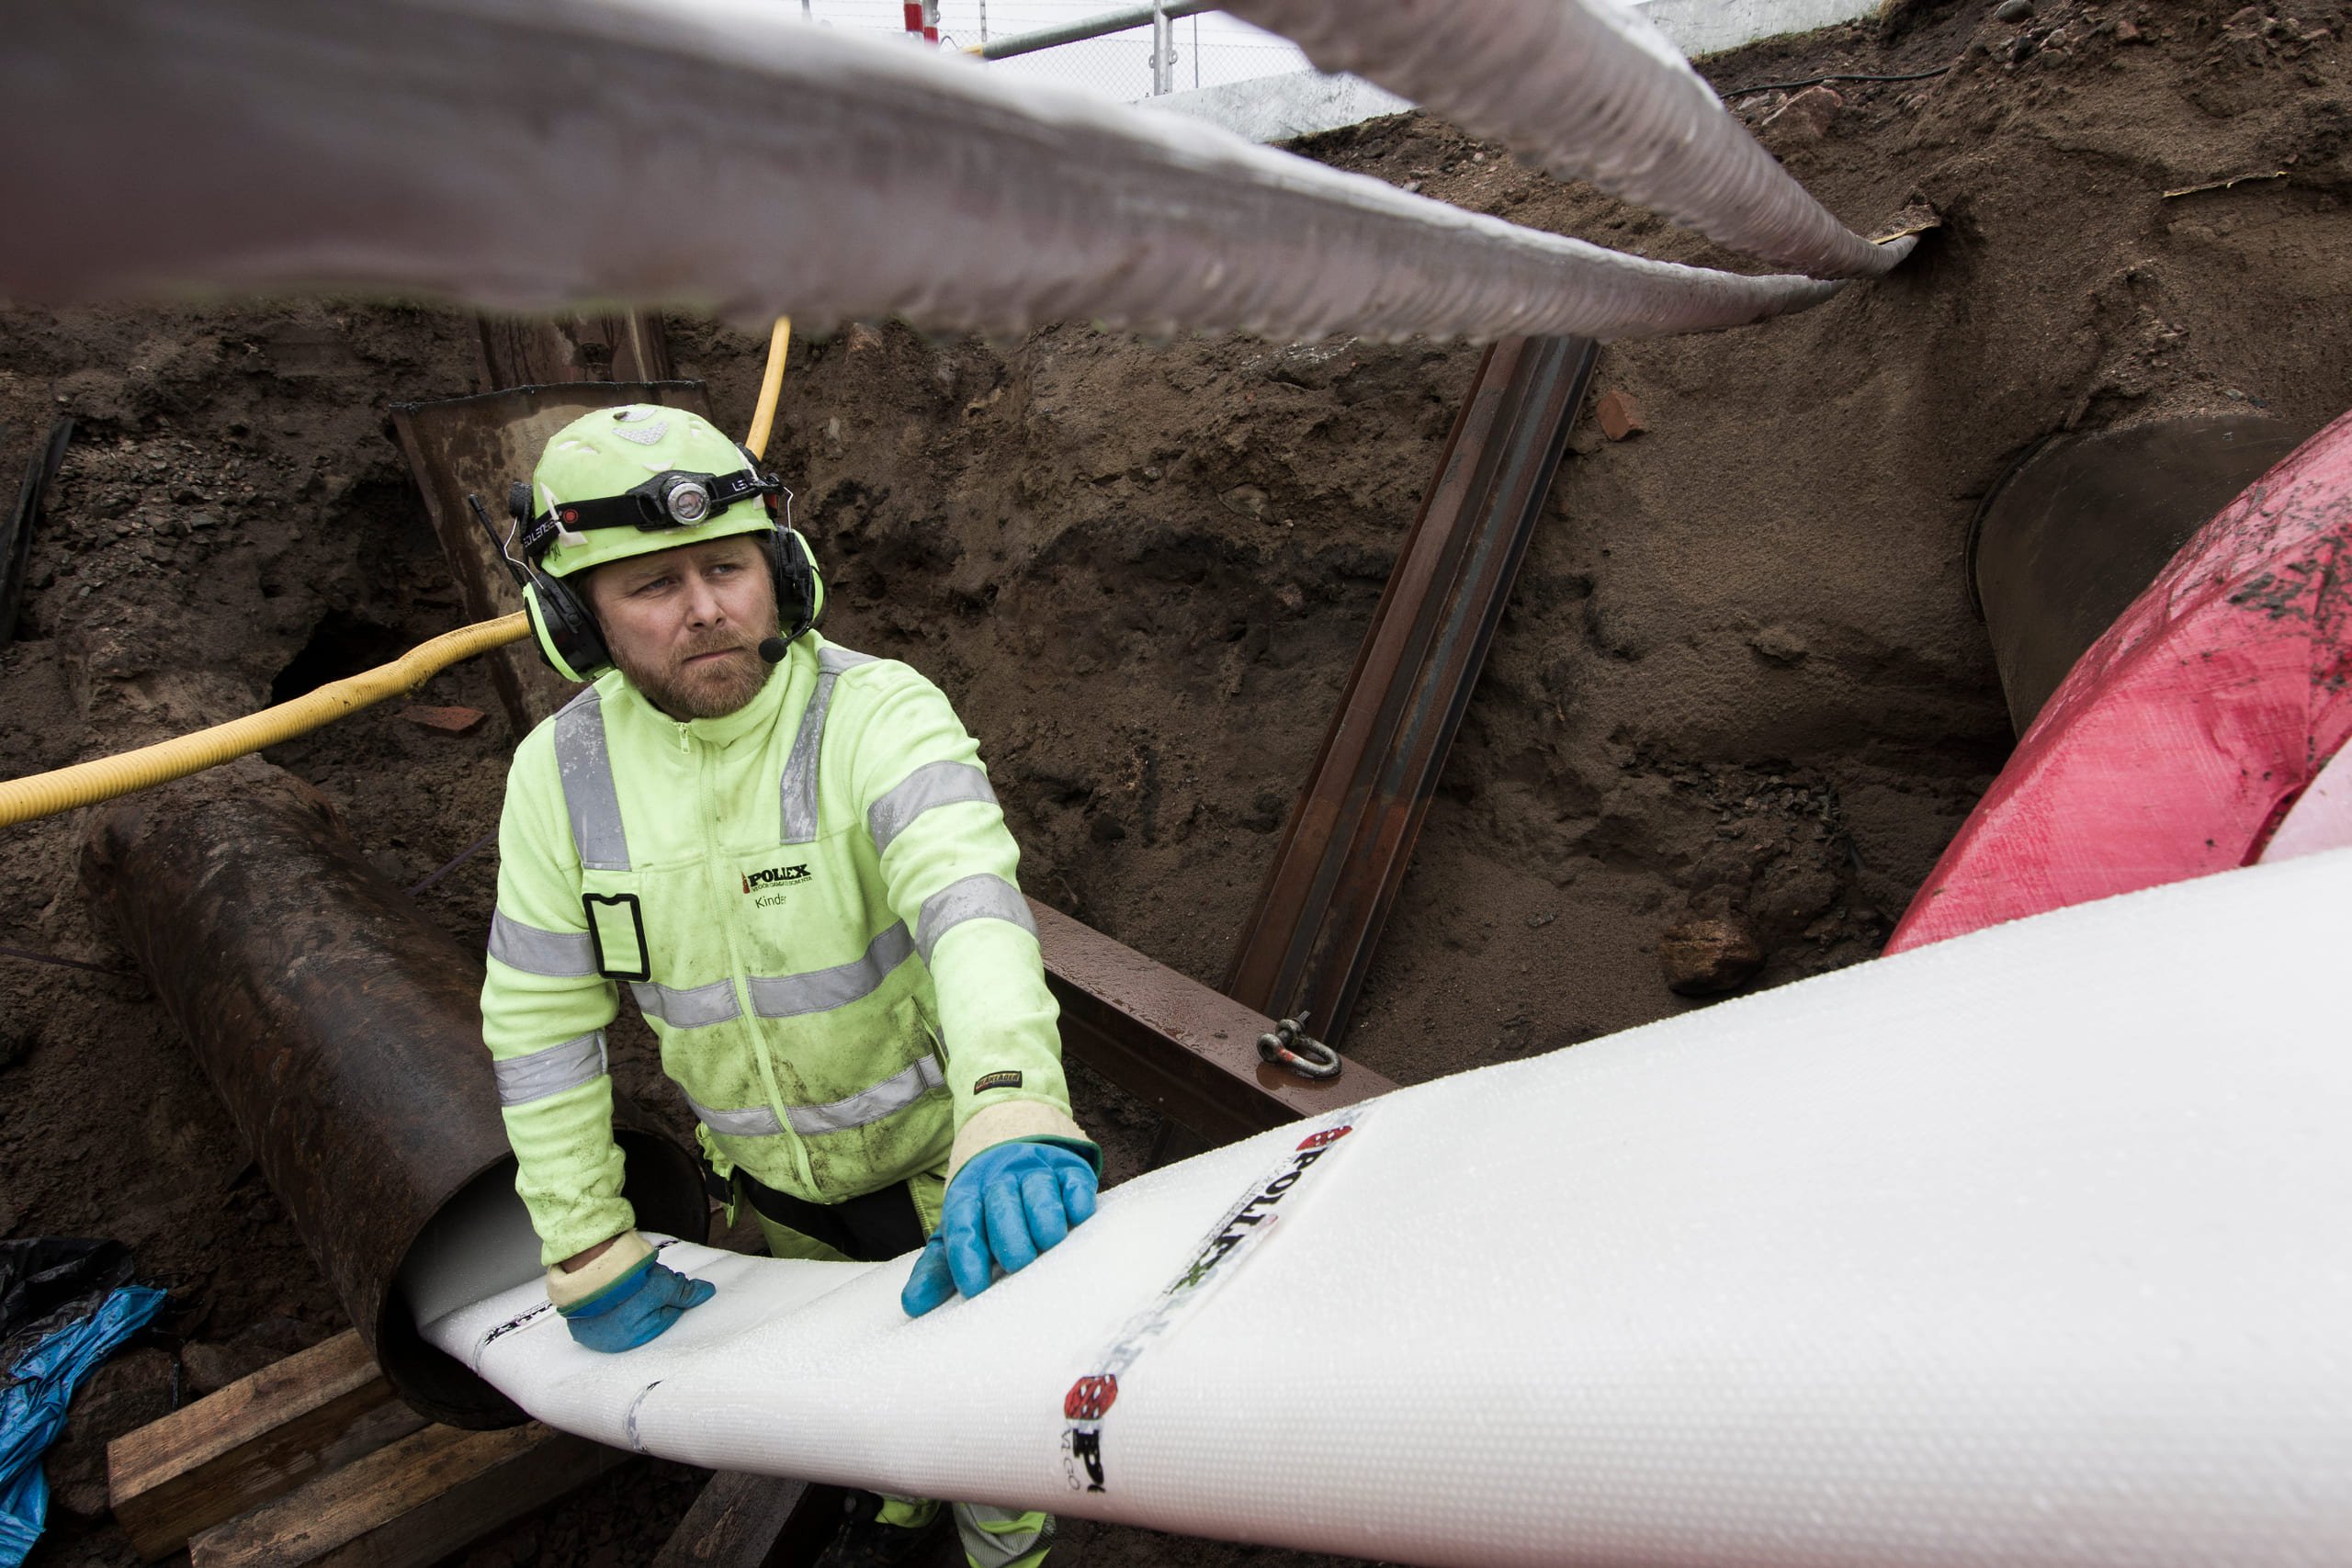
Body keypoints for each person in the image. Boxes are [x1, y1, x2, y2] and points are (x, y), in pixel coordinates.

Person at [478, 404, 1096, 1568]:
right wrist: (582, 1238)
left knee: (990, 1430)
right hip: (778, 1200)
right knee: (862, 1404)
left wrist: (1013, 1106)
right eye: (650, 586)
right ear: (575, 620)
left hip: (947, 1184)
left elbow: (970, 911)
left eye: (728, 566)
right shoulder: (554, 778)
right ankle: (894, 1510)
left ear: (785, 571)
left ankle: (1007, 1553)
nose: (706, 608)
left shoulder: (878, 713)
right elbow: (540, 1024)